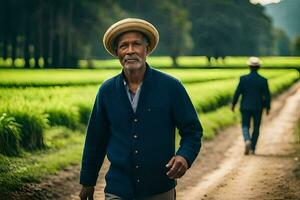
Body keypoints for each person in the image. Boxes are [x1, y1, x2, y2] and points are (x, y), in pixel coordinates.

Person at [79, 18, 203, 200]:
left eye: (136, 44)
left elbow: (192, 131)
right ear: (117, 53)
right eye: (123, 46)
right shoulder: (106, 91)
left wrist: (184, 157)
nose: (130, 51)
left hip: (160, 187)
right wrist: (87, 182)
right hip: (118, 188)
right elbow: (95, 141)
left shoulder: (171, 87)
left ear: (147, 49)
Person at [231, 57, 271, 155]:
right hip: (258, 107)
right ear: (259, 67)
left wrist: (233, 104)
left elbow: (237, 93)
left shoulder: (243, 79)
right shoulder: (263, 80)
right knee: (256, 127)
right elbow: (267, 95)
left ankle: (247, 140)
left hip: (245, 106)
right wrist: (267, 107)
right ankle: (252, 147)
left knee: (245, 125)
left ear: (249, 67)